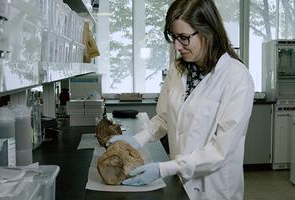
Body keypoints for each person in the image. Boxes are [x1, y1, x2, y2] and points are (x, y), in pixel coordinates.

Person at [107, 0, 254, 199]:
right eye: (174, 37)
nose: (177, 46)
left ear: (208, 31)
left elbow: (221, 151)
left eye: (184, 38)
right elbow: (164, 117)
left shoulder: (237, 77)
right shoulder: (178, 70)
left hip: (213, 189)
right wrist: (137, 140)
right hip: (181, 180)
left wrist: (164, 169)